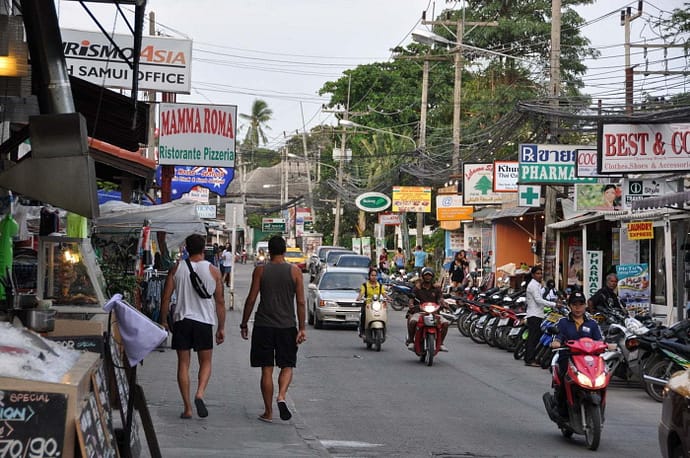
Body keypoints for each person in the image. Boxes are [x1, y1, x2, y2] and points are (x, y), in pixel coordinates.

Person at [240, 235, 307, 423]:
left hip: (263, 325)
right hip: (287, 326)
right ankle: (282, 396)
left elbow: (251, 299)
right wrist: (302, 328)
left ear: (268, 251)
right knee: (287, 365)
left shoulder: (260, 271)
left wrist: (244, 323)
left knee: (266, 370)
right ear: (284, 250)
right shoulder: (295, 272)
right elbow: (301, 302)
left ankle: (268, 412)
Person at [159, 233, 226, 419]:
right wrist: (221, 327)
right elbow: (220, 302)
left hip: (181, 321)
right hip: (204, 322)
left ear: (186, 248)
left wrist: (163, 321)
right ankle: (200, 393)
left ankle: (188, 408)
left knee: (183, 364)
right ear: (204, 248)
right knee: (205, 362)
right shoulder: (214, 271)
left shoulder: (177, 268)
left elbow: (165, 298)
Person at [549, 291, 603, 417]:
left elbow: (599, 340)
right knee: (564, 379)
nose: (578, 307)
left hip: (588, 360)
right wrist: (556, 342)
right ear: (569, 306)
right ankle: (561, 409)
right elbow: (558, 336)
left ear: (585, 306)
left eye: (581, 304)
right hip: (568, 358)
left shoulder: (592, 323)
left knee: (600, 378)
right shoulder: (563, 322)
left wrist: (606, 345)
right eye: (574, 304)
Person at [406, 267, 450, 352]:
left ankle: (440, 343)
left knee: (445, 323)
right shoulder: (417, 288)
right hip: (420, 312)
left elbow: (440, 298)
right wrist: (411, 304)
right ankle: (411, 341)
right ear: (423, 276)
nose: (428, 277)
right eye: (426, 275)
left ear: (432, 277)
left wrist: (444, 304)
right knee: (413, 321)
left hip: (434, 313)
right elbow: (412, 298)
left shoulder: (436, 288)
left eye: (429, 275)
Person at [524, 265, 556, 367]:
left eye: (541, 273)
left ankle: (531, 358)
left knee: (535, 337)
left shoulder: (537, 285)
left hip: (537, 314)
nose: (540, 275)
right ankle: (529, 359)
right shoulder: (533, 286)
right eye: (537, 273)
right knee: (532, 338)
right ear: (533, 275)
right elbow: (538, 300)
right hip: (534, 315)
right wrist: (554, 304)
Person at [356, 268, 386, 337]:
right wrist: (359, 298)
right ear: (369, 276)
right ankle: (362, 331)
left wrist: (389, 299)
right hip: (368, 304)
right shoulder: (365, 285)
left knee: (384, 312)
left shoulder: (380, 285)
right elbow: (361, 293)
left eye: (375, 275)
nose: (374, 277)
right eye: (372, 275)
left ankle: (384, 329)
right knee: (363, 314)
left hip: (377, 305)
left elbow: (384, 294)